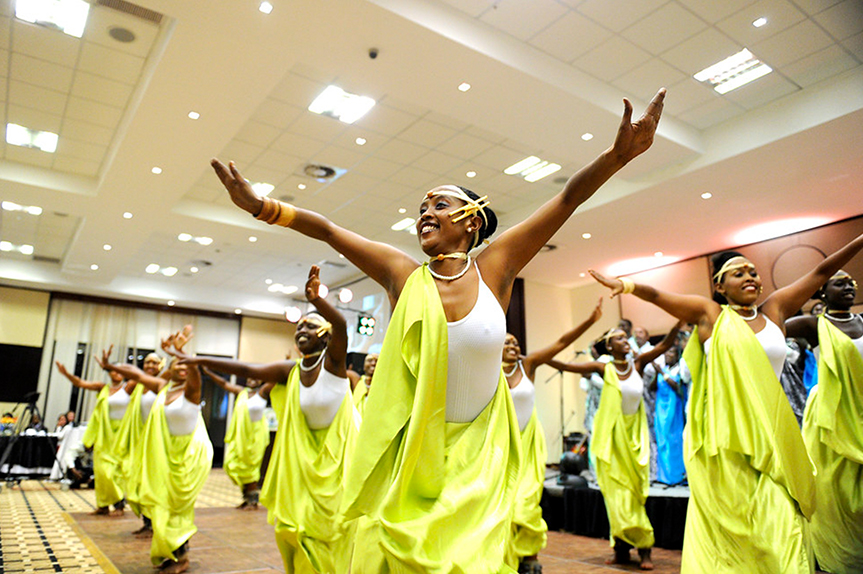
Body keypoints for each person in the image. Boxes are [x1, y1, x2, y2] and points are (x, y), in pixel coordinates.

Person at [211, 87, 665, 572]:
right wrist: (262, 207)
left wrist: (615, 158)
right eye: (422, 207)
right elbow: (328, 230)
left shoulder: (496, 268)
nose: (426, 212)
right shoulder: (402, 274)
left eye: (441, 205)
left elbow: (567, 197)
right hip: (413, 456)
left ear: (472, 223)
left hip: (480, 457)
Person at [589, 235, 863, 572]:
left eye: (753, 272)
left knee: (782, 526)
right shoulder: (711, 316)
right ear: (720, 287)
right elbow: (660, 295)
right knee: (737, 530)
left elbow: (821, 272)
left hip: (774, 438)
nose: (750, 276)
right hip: (726, 442)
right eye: (738, 273)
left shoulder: (775, 310)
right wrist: (626, 285)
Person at [176, 266, 357, 573]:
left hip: (340, 463)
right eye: (298, 327)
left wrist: (317, 301)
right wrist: (199, 360)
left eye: (310, 327)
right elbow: (248, 369)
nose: (301, 330)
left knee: (334, 533)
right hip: (304, 464)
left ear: (324, 337)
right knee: (295, 529)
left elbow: (340, 324)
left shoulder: (335, 364)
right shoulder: (291, 371)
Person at [549, 322, 681, 570]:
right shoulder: (603, 367)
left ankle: (644, 550)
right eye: (619, 339)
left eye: (626, 338)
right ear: (609, 346)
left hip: (635, 439)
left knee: (633, 496)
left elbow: (664, 344)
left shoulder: (638, 364)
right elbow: (567, 366)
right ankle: (622, 550)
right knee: (616, 498)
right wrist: (541, 358)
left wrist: (677, 322)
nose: (626, 341)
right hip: (612, 440)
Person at [97, 331, 213, 574]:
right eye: (177, 364)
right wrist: (109, 366)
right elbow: (136, 374)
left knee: (177, 508)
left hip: (188, 457)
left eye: (185, 363)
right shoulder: (163, 387)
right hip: (162, 454)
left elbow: (194, 373)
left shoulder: (192, 391)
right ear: (168, 370)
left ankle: (182, 557)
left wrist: (180, 353)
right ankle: (169, 552)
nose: (182, 367)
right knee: (161, 504)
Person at [502, 298, 603, 573]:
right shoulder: (488, 370)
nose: (514, 346)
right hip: (498, 447)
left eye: (516, 343)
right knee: (501, 503)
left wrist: (589, 321)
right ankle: (503, 555)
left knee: (526, 502)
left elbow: (560, 342)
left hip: (527, 443)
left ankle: (529, 556)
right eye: (507, 342)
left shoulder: (529, 364)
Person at [786, 270, 863, 572]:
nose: (848, 286)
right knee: (835, 496)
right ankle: (838, 562)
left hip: (862, 414)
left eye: (851, 282)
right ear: (821, 293)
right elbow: (766, 328)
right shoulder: (813, 325)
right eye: (839, 282)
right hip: (830, 418)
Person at [55, 361, 133, 516]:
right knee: (101, 470)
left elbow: (142, 377)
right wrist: (66, 374)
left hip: (122, 434)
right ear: (109, 373)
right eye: (113, 370)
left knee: (115, 472)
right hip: (104, 433)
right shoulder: (103, 387)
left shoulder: (129, 387)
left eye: (120, 370)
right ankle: (103, 505)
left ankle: (119, 504)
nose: (116, 373)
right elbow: (80, 383)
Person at [201, 367, 274, 510]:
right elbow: (223, 383)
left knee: (251, 469)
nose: (252, 380)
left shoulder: (263, 392)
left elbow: (275, 380)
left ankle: (252, 500)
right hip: (240, 437)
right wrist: (208, 371)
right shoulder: (242, 392)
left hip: (255, 438)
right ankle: (246, 498)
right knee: (233, 464)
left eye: (256, 377)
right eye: (249, 377)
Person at [115, 352, 166, 537]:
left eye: (155, 362)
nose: (150, 365)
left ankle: (154, 524)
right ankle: (147, 521)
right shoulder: (137, 385)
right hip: (138, 442)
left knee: (152, 483)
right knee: (136, 480)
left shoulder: (163, 382)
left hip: (157, 443)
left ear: (161, 365)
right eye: (147, 362)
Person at [646, 346, 688, 485]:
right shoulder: (662, 369)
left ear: (677, 356)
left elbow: (678, 388)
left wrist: (662, 373)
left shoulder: (679, 370)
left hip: (673, 410)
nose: (667, 355)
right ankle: (663, 477)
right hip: (660, 410)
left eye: (671, 352)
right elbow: (651, 388)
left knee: (674, 442)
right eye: (666, 353)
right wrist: (657, 373)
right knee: (662, 441)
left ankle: (676, 476)